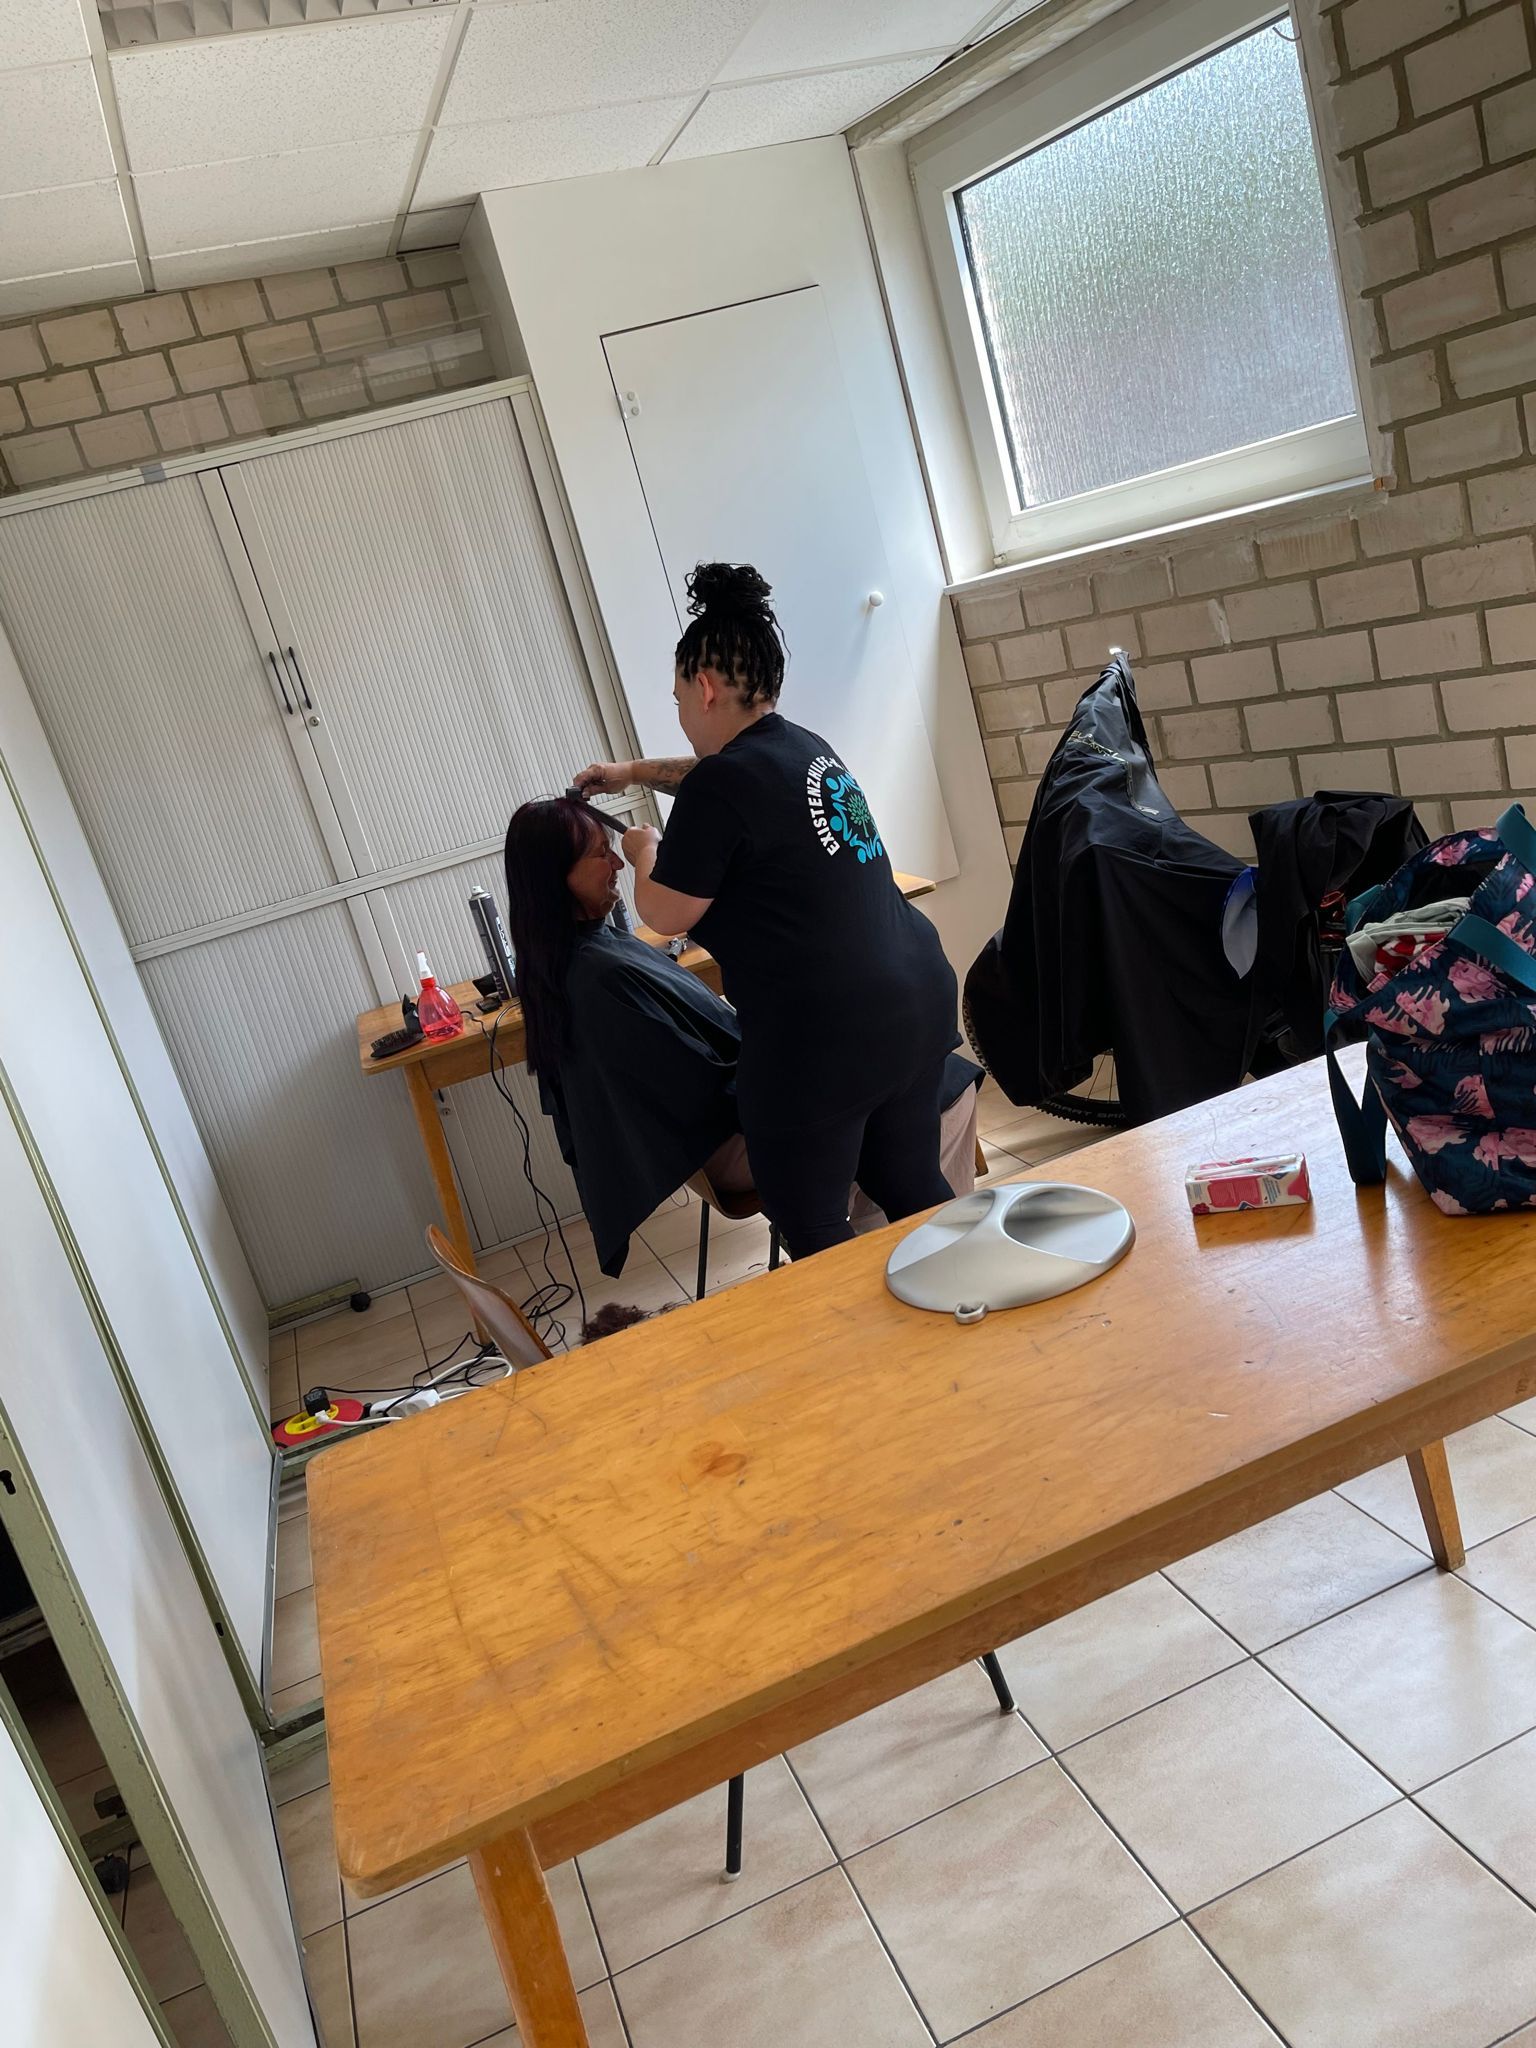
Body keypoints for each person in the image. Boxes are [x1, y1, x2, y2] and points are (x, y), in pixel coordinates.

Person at [573, 560, 959, 1262]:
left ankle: (865, 1334)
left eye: (679, 700)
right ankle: (974, 1294)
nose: (682, 715)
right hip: (915, 1001)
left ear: (705, 687)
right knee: (910, 1184)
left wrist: (644, 850)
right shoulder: (807, 749)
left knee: (812, 1224)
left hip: (826, 1036)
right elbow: (713, 776)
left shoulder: (724, 785)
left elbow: (663, 912)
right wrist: (629, 773)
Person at [503, 792, 983, 1278]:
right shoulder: (599, 976)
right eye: (600, 854)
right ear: (556, 877)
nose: (617, 864)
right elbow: (705, 1086)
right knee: (936, 1083)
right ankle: (900, 1258)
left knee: (895, 1077)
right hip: (734, 1135)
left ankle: (884, 1243)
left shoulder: (569, 961)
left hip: (730, 1123)